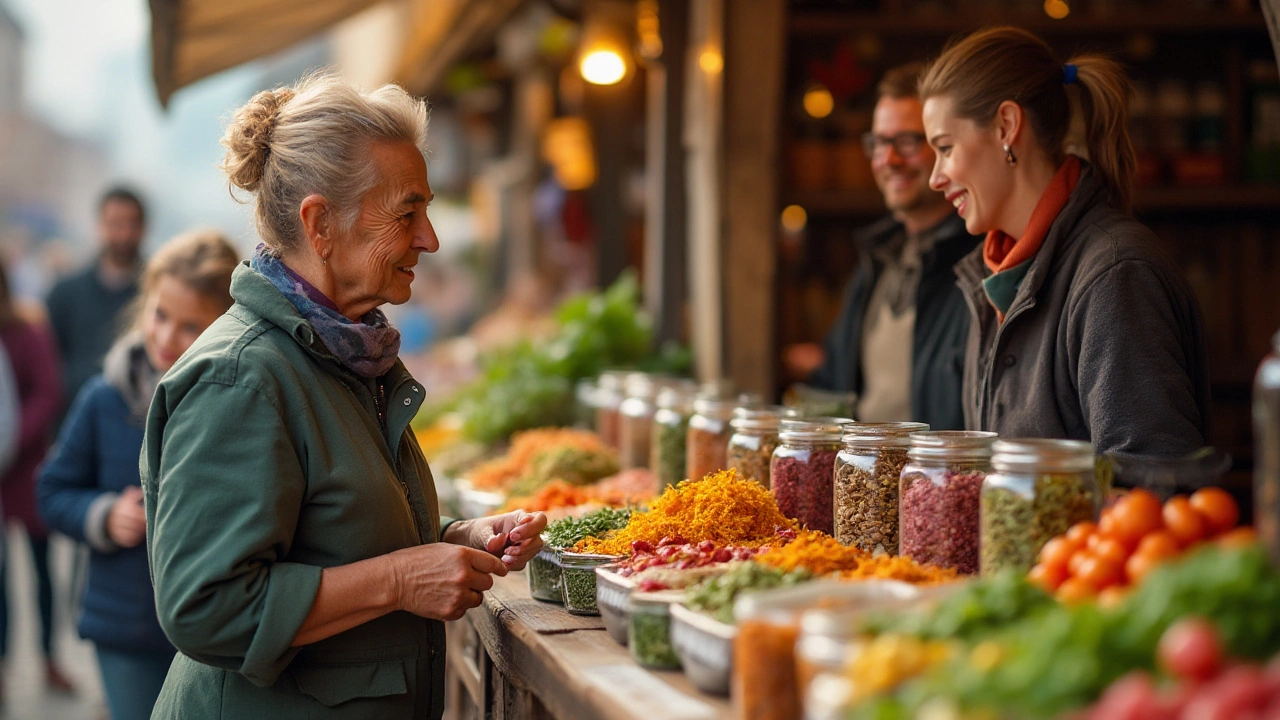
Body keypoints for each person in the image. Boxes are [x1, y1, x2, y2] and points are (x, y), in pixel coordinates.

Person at [140, 73, 547, 719]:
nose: (430, 239)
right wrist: (398, 581)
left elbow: (329, 534)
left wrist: (451, 538)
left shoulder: (345, 355)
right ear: (321, 222)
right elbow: (204, 609)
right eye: (407, 212)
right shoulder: (242, 378)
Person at [920, 26, 1209, 454]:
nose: (935, 178)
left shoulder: (1116, 274)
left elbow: (1150, 485)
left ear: (1006, 126)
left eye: (945, 148)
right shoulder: (993, 275)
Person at [36, 230, 239, 719]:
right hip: (125, 627)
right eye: (160, 315)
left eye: (190, 326)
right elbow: (52, 489)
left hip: (219, 626)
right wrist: (104, 516)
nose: (167, 337)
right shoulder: (104, 397)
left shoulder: (240, 405)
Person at [806, 62, 981, 430]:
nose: (889, 160)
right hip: (861, 478)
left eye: (907, 141)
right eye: (878, 143)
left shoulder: (983, 264)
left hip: (936, 483)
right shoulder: (877, 260)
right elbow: (830, 382)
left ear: (946, 147)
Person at [0, 258, 73, 696]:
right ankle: (3, 665)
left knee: (43, 572)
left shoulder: (27, 332)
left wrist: (10, 440)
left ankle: (49, 657)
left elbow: (48, 391)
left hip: (26, 473)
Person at [45, 187, 146, 421]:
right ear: (99, 226)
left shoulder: (155, 295)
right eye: (115, 224)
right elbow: (46, 366)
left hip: (134, 425)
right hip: (68, 419)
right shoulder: (64, 292)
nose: (124, 234)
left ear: (143, 228)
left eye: (132, 224)